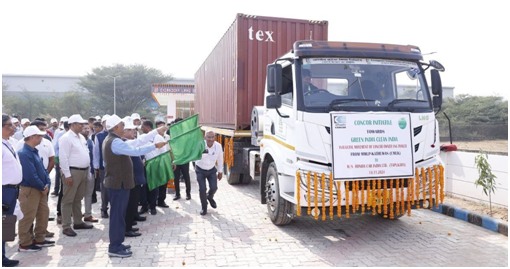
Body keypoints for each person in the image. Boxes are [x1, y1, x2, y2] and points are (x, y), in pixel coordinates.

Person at [103, 115, 167, 257]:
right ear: (116, 127)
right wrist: (155, 145)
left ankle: (118, 243)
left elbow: (137, 142)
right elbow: (136, 151)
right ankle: (114, 247)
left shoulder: (116, 140)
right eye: (122, 125)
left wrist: (156, 131)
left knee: (119, 215)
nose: (124, 127)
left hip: (120, 184)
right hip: (117, 184)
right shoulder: (115, 142)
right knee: (117, 216)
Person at [17, 126, 55, 252]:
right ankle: (25, 243)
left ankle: (39, 239)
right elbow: (30, 175)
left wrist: (47, 184)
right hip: (30, 189)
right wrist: (42, 186)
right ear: (32, 137)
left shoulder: (34, 151)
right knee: (28, 216)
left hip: (40, 188)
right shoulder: (24, 153)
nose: (41, 138)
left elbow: (43, 170)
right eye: (39, 136)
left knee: (43, 214)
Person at [58, 114, 93, 237]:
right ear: (72, 124)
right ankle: (66, 226)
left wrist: (87, 172)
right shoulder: (66, 138)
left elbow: (86, 153)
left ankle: (78, 221)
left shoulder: (81, 138)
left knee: (78, 198)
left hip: (82, 171)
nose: (82, 126)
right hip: (72, 172)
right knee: (68, 199)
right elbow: (63, 158)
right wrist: (67, 175)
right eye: (80, 124)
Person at [2, 114, 22, 267]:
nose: (14, 127)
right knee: (2, 223)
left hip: (12, 189)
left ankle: (3, 256)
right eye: (10, 124)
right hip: (4, 190)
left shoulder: (8, 143)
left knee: (6, 223)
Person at [139, 120, 168, 215]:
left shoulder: (159, 138)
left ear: (148, 127)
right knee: (144, 187)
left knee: (154, 187)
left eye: (143, 126)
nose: (141, 128)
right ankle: (144, 206)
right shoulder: (142, 137)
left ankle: (153, 206)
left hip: (155, 166)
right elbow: (138, 150)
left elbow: (163, 153)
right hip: (144, 165)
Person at [195, 130, 224, 215]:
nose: (211, 139)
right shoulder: (200, 145)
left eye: (212, 137)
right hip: (200, 169)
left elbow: (220, 159)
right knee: (202, 189)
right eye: (209, 137)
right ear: (205, 137)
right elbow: (193, 156)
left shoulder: (218, 146)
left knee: (214, 187)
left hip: (211, 170)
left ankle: (209, 197)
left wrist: (220, 172)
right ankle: (204, 207)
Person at [81, 124, 98, 223]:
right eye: (84, 128)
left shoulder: (90, 141)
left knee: (88, 193)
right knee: (78, 195)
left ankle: (88, 214)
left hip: (90, 170)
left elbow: (94, 155)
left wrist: (95, 168)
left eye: (88, 128)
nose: (87, 130)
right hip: (79, 171)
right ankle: (77, 214)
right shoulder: (76, 140)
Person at [94, 115, 110, 218]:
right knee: (105, 190)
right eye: (105, 122)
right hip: (104, 167)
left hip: (116, 167)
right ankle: (104, 209)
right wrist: (97, 167)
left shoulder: (118, 135)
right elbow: (96, 153)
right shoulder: (99, 136)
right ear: (103, 123)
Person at [171, 118, 192, 201]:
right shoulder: (171, 132)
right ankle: (177, 194)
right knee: (176, 177)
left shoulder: (186, 133)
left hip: (184, 159)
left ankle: (188, 194)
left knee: (186, 176)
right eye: (178, 123)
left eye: (181, 123)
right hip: (175, 159)